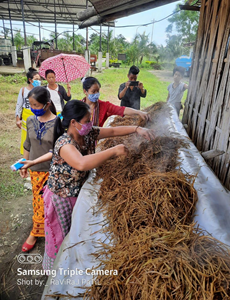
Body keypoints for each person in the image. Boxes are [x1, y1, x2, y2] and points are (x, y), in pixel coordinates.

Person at [22, 100, 154, 269]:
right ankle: (55, 271)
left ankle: (73, 264)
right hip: (61, 198)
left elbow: (113, 130)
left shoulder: (88, 134)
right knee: (61, 237)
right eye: (86, 121)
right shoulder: (64, 144)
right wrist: (113, 151)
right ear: (73, 123)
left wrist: (137, 129)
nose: (90, 124)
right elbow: (81, 163)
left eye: (90, 120)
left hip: (76, 192)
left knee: (75, 233)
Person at [19, 87, 57, 252]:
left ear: (47, 104)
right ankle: (35, 232)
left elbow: (57, 150)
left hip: (51, 172)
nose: (33, 108)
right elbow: (27, 143)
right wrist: (24, 163)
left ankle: (52, 232)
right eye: (31, 105)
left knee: (50, 204)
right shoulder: (30, 121)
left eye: (36, 105)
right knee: (37, 203)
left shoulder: (58, 123)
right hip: (35, 171)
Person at [82, 76, 149, 127]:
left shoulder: (104, 106)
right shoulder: (77, 106)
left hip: (95, 142)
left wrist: (138, 112)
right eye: (93, 91)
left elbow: (122, 110)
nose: (96, 94)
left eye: (98, 91)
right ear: (85, 91)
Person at [15, 68, 41, 154]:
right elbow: (19, 105)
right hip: (26, 117)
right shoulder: (23, 90)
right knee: (26, 136)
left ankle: (36, 152)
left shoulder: (40, 91)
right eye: (36, 79)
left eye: (39, 79)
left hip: (38, 116)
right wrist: (18, 119)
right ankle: (26, 154)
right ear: (30, 80)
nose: (39, 81)